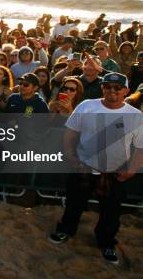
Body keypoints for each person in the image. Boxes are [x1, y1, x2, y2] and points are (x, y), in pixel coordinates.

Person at [49, 72, 143, 264]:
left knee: (111, 212)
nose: (112, 91)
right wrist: (70, 156)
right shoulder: (87, 106)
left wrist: (132, 169)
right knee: (74, 203)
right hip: (84, 167)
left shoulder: (135, 116)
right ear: (103, 88)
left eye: (117, 88)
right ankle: (66, 230)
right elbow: (71, 133)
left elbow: (140, 147)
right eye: (108, 86)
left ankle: (106, 243)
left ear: (126, 90)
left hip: (113, 172)